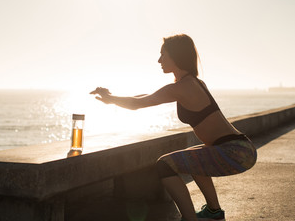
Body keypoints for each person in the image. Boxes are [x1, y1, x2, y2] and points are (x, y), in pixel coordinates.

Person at [90, 34, 257, 221]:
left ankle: (189, 218)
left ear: (176, 56)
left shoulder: (183, 87)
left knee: (164, 164)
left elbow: (138, 103)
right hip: (241, 148)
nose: (159, 60)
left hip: (234, 151)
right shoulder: (190, 83)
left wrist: (111, 100)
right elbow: (146, 97)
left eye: (163, 55)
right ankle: (214, 212)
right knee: (191, 158)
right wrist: (114, 97)